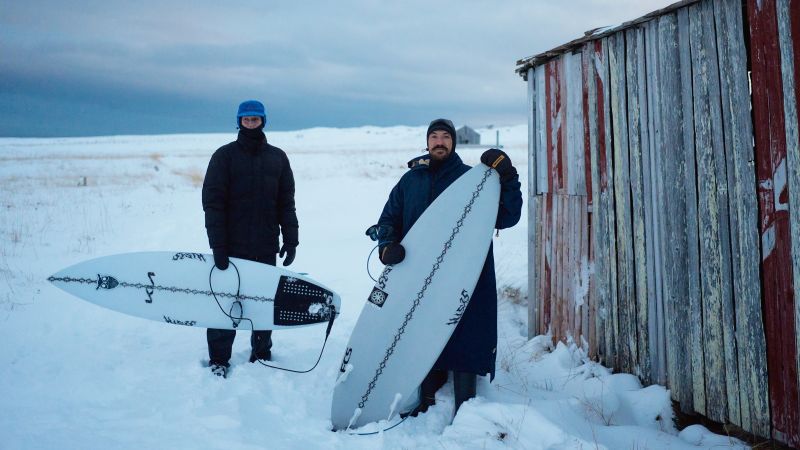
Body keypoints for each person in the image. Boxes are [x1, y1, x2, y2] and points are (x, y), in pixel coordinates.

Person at [375, 118, 522, 417]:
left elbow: (507, 216)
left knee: (464, 330)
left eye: (445, 137)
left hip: (464, 272)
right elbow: (388, 219)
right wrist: (387, 246)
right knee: (423, 329)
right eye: (434, 137)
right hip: (420, 274)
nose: (439, 141)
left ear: (453, 142)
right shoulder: (410, 181)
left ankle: (467, 408)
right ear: (427, 142)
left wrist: (507, 176)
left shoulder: (473, 180)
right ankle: (428, 395)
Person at [201, 100, 299, 378]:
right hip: (231, 246)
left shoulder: (277, 158)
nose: (251, 123)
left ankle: (262, 352)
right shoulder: (224, 156)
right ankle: (219, 359)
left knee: (263, 300)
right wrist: (218, 245)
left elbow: (286, 203)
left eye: (256, 119)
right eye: (246, 119)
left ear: (263, 121)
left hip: (266, 244)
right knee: (224, 302)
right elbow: (213, 204)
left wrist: (291, 239)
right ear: (239, 122)